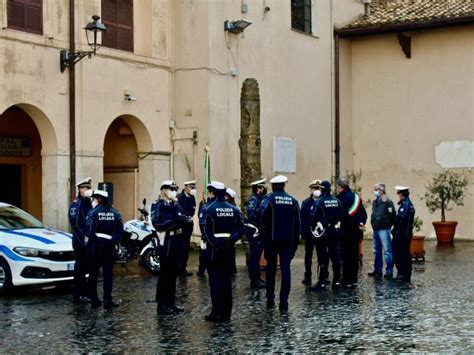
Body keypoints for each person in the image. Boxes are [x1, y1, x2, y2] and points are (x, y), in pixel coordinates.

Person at [256, 175, 300, 313]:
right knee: (286, 270)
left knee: (271, 270)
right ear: (284, 185)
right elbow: (297, 225)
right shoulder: (293, 201)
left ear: (273, 186)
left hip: (271, 239)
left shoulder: (268, 199)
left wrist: (263, 230)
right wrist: (295, 244)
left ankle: (270, 299)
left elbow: (259, 214)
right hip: (288, 241)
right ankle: (284, 302)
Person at [203, 181, 244, 322]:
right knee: (227, 280)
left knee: (215, 281)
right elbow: (240, 228)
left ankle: (217, 312)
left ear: (213, 192)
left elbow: (206, 231)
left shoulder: (209, 208)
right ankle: (227, 312)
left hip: (214, 249)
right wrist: (231, 240)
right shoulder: (234, 209)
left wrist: (215, 244)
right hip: (229, 248)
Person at [151, 180, 190, 314]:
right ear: (163, 190)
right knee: (165, 274)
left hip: (177, 240)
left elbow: (183, 218)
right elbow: (158, 224)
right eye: (170, 189)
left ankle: (171, 302)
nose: (173, 191)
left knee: (174, 273)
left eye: (174, 189)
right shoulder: (158, 205)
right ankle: (162, 304)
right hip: (166, 241)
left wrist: (179, 220)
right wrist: (175, 222)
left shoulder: (175, 204)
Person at [84, 190, 124, 308]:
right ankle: (107, 300)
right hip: (109, 247)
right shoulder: (115, 213)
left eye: (94, 199)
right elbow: (120, 231)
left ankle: (94, 300)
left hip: (95, 247)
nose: (93, 201)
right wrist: (112, 241)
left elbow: (89, 231)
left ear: (99, 199)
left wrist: (97, 242)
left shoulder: (93, 213)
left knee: (93, 274)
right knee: (108, 274)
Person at [309, 180, 346, 290]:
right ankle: (337, 281)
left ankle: (322, 281)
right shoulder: (337, 201)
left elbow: (313, 217)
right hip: (334, 231)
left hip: (323, 232)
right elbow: (343, 215)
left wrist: (313, 225)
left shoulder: (319, 202)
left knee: (322, 257)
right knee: (335, 256)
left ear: (321, 189)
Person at [336, 178, 367, 288]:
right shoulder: (356, 197)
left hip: (345, 232)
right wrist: (361, 223)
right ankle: (353, 279)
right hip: (356, 232)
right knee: (354, 256)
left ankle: (346, 279)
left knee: (345, 256)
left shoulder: (340, 199)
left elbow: (340, 216)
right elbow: (364, 214)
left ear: (340, 186)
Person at [68, 177, 93, 303]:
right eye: (85, 188)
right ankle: (79, 294)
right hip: (80, 240)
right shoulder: (76, 204)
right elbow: (75, 225)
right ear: (79, 189)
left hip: (89, 240)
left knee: (87, 267)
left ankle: (86, 292)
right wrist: (84, 240)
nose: (87, 190)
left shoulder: (89, 202)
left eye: (88, 187)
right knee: (80, 268)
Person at [368, 183, 396, 279]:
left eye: (376, 189)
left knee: (387, 251)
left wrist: (387, 224)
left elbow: (393, 216)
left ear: (382, 190)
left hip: (384, 229)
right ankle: (377, 270)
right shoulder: (375, 202)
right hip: (376, 229)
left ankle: (389, 271)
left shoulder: (388, 201)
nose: (375, 191)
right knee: (377, 251)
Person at [244, 178, 267, 290]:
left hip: (258, 230)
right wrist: (259, 225)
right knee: (254, 256)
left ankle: (257, 278)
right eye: (262, 187)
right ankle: (254, 280)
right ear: (259, 188)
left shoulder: (259, 198)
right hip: (254, 231)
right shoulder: (253, 200)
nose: (264, 189)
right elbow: (251, 214)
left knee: (257, 256)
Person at [300, 179, 321, 285]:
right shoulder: (306, 203)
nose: (316, 190)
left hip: (321, 234)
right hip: (309, 234)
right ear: (311, 189)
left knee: (321, 256)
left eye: (318, 188)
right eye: (314, 188)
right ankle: (307, 275)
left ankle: (322, 276)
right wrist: (302, 232)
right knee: (308, 256)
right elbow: (302, 219)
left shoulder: (323, 201)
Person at [392, 186, 415, 282]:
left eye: (399, 194)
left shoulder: (405, 205)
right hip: (406, 234)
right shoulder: (410, 204)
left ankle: (401, 274)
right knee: (406, 254)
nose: (398, 196)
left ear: (402, 195)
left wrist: (393, 223)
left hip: (401, 235)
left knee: (399, 254)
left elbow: (399, 220)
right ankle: (406, 274)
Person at [177, 180, 197, 277]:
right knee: (181, 247)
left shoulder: (192, 198)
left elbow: (192, 210)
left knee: (186, 247)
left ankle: (183, 267)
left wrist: (188, 215)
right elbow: (181, 211)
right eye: (191, 187)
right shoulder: (179, 197)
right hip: (181, 225)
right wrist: (185, 215)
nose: (193, 189)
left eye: (194, 187)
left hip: (188, 225)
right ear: (185, 187)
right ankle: (179, 268)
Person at [196, 186, 217, 276]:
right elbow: (201, 221)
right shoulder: (204, 205)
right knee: (204, 254)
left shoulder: (211, 205)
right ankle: (202, 269)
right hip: (207, 235)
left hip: (212, 235)